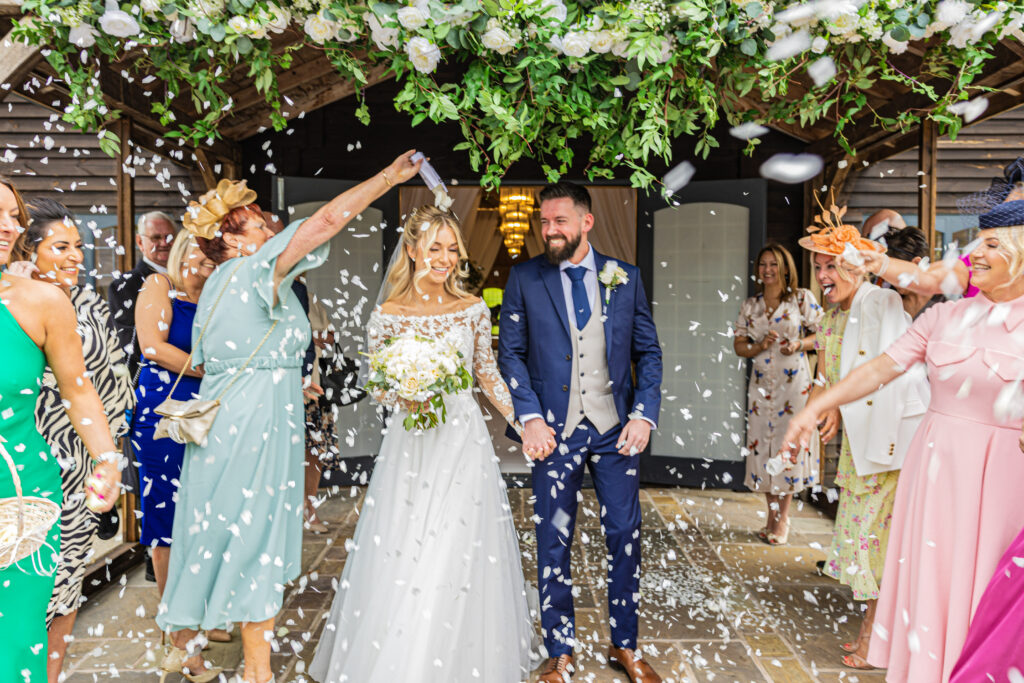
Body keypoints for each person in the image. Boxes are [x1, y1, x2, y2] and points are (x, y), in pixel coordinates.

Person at [157, 153, 422, 683]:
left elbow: (219, 360)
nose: (272, 228)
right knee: (255, 535)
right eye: (259, 224)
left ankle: (183, 644)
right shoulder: (255, 267)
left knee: (217, 529)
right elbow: (325, 221)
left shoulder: (215, 285)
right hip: (255, 425)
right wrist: (388, 178)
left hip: (231, 416)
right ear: (233, 240)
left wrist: (287, 379)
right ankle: (259, 672)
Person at [782, 199, 1024, 682]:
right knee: (931, 583)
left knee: (984, 588)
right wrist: (815, 405)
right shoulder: (944, 318)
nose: (975, 255)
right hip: (932, 474)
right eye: (976, 244)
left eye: (992, 246)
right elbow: (878, 369)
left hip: (1000, 479)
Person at [309, 206, 538, 681]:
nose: (446, 258)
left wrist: (523, 421)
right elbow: (380, 386)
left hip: (462, 439)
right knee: (407, 539)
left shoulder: (472, 308)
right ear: (412, 251)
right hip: (410, 445)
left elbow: (486, 373)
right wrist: (405, 391)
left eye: (453, 249)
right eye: (435, 247)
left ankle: (459, 653)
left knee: (458, 537)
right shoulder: (388, 314)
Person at [498, 182, 664, 682]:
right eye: (543, 222)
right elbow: (510, 354)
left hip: (615, 430)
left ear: (586, 222)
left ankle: (625, 645)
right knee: (553, 537)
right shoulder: (525, 278)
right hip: (555, 429)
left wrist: (643, 413)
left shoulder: (625, 277)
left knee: (623, 535)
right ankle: (559, 652)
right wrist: (528, 417)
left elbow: (648, 353)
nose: (549, 231)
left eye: (559, 222)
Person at [7, 198, 135, 683]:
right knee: (33, 589)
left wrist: (110, 452)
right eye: (61, 246)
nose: (76, 256)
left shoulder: (86, 301)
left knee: (65, 583)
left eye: (79, 246)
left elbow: (98, 382)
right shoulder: (22, 299)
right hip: (36, 453)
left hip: (83, 462)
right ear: (31, 249)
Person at [797, 210, 929, 670]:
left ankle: (876, 637)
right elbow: (828, 372)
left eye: (830, 265)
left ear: (854, 267)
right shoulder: (834, 315)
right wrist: (825, 402)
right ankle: (878, 633)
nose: (822, 276)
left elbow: (888, 371)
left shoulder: (881, 303)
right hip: (859, 447)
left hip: (892, 442)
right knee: (868, 539)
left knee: (877, 539)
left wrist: (835, 401)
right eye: (817, 267)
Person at [131, 231, 220, 640]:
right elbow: (153, 346)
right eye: (201, 252)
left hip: (213, 414)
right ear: (184, 250)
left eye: (215, 254)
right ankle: (176, 625)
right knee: (167, 515)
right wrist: (212, 371)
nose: (208, 261)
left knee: (208, 515)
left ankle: (204, 611)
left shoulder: (221, 296)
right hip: (166, 413)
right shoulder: (160, 285)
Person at [733, 243, 823, 545]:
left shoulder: (801, 299)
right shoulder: (751, 305)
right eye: (763, 264)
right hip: (761, 387)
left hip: (794, 385)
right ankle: (770, 516)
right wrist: (759, 345)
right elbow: (739, 347)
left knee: (787, 447)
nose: (767, 270)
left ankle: (783, 519)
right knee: (764, 449)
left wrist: (798, 344)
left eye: (773, 264)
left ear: (785, 268)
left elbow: (823, 334)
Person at [108, 211, 178, 376]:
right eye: (155, 238)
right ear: (140, 242)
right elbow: (130, 344)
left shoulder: (188, 279)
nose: (164, 243)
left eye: (169, 237)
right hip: (150, 376)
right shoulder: (125, 285)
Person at [301, 300, 340, 534]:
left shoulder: (310, 298)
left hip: (315, 385)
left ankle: (309, 507)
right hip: (280, 385)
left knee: (314, 451)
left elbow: (330, 338)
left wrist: (307, 337)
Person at [881, 226, 944, 320]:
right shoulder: (889, 300)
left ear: (916, 263)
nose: (891, 279)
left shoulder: (945, 301)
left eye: (897, 272)